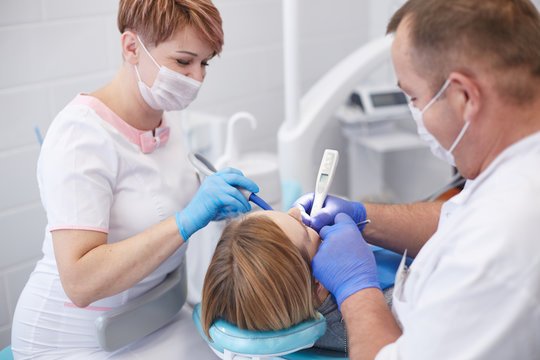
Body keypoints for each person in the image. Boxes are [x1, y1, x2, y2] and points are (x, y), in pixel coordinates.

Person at [11, 1, 259, 358]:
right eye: (183, 61)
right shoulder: (80, 136)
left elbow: (153, 196)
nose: (198, 77)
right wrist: (188, 220)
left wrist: (209, 201)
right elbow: (80, 283)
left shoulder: (167, 119)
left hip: (156, 318)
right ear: (131, 48)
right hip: (74, 340)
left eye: (205, 63)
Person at [295, 0, 540, 359]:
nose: (416, 114)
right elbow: (453, 221)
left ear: (464, 96)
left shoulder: (502, 242)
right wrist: (363, 216)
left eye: (414, 97)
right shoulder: (514, 164)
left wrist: (355, 288)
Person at [200, 208, 396, 353]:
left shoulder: (296, 297)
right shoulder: (393, 310)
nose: (296, 211)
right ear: (317, 285)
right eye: (303, 229)